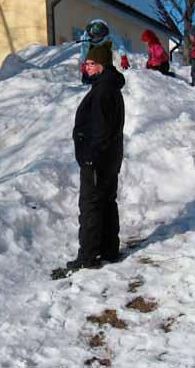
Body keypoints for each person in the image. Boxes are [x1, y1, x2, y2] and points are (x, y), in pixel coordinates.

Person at [67, 42, 125, 270]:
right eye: (86, 63)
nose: (86, 67)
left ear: (101, 65)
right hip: (110, 157)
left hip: (98, 159)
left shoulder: (102, 91)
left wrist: (90, 158)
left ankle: (88, 256)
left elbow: (101, 130)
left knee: (90, 205)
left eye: (91, 63)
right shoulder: (109, 86)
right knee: (107, 202)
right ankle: (109, 250)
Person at [79, 19, 130, 83]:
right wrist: (83, 63)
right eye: (95, 36)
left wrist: (123, 57)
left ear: (104, 33)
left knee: (105, 57)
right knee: (91, 59)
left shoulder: (110, 31)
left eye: (99, 36)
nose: (97, 37)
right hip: (92, 44)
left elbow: (119, 44)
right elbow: (84, 49)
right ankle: (88, 78)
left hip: (105, 44)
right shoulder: (87, 35)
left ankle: (106, 75)